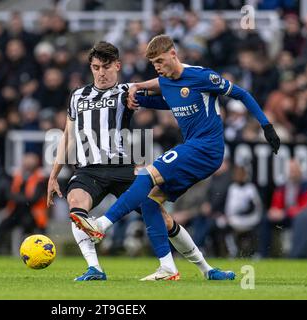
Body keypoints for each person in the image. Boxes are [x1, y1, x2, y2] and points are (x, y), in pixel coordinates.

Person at [71, 35, 280, 280]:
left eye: (161, 61)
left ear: (173, 54)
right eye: (154, 63)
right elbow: (166, 100)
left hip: (207, 147)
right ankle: (189, 269)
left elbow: (242, 94)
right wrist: (137, 96)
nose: (158, 67)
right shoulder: (166, 81)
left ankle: (102, 225)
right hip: (194, 149)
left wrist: (266, 126)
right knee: (150, 203)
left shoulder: (202, 76)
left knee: (146, 174)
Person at [48, 41, 234, 282]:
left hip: (123, 169)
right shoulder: (77, 96)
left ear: (117, 65)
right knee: (77, 207)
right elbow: (68, 136)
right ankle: (95, 269)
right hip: (88, 171)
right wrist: (54, 175)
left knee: (162, 217)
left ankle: (207, 269)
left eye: (106, 67)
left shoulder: (128, 90)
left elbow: (171, 89)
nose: (101, 73)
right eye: (96, 67)